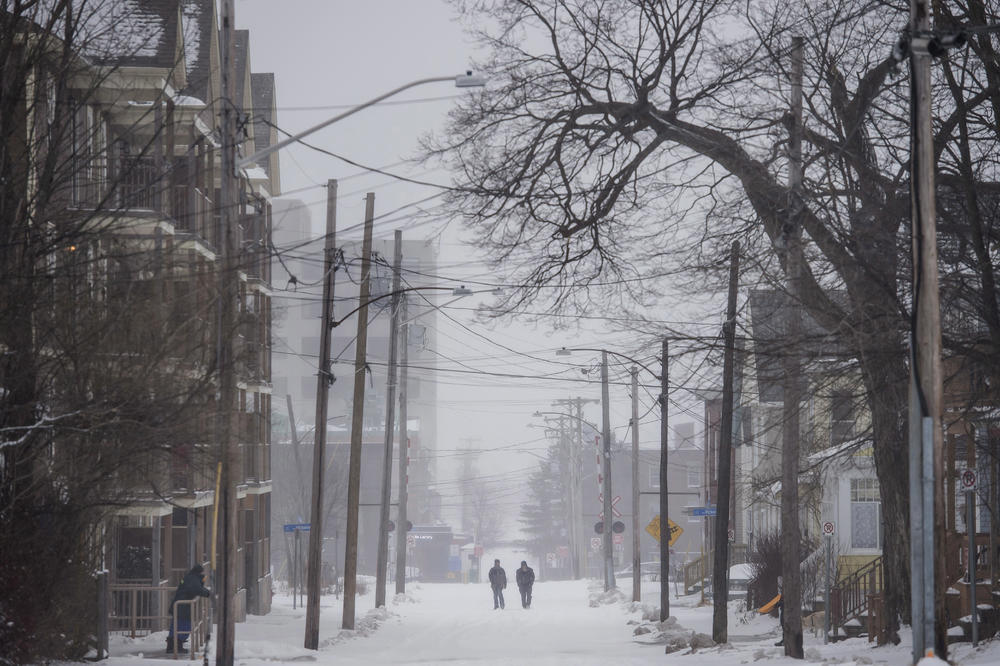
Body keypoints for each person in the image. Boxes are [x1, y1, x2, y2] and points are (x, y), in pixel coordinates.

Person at [166, 564, 211, 652]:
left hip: (180, 605)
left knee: (176, 625)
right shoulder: (193, 578)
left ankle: (172, 645)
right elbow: (197, 589)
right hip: (183, 606)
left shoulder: (190, 577)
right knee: (184, 626)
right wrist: (208, 593)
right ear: (200, 572)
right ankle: (177, 646)